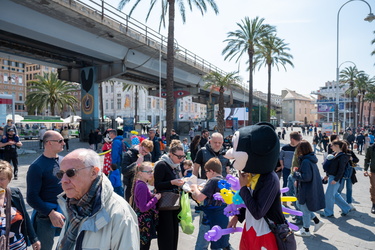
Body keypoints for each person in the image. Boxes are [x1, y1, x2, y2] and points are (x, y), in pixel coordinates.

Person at [226, 123, 293, 250]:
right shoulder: (253, 174)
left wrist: (243, 188)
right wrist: (238, 216)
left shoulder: (270, 179)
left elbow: (258, 212)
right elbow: (250, 201)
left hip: (266, 232)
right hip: (251, 228)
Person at [55, 149, 139, 249]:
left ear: (93, 172)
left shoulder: (119, 214)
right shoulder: (71, 206)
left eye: (71, 173)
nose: (63, 180)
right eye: (61, 174)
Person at [26, 130, 65, 250]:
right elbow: (31, 197)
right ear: (48, 143)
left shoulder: (64, 161)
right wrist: (51, 213)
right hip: (46, 216)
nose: (63, 143)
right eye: (60, 141)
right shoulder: (36, 167)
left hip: (66, 212)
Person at [191, 158, 234, 250]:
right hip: (222, 219)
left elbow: (199, 197)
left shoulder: (212, 180)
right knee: (218, 246)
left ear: (211, 171)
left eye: (206, 172)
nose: (206, 174)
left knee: (201, 247)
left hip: (209, 220)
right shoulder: (225, 182)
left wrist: (194, 188)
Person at [0, 160, 41, 250]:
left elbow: (25, 216)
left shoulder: (15, 193)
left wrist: (34, 238)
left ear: (9, 179)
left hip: (18, 245)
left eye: (2, 179)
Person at [154, 140, 185, 250]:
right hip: (164, 205)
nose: (181, 159)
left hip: (173, 204)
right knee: (166, 234)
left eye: (183, 156)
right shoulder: (162, 165)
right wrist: (172, 182)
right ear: (171, 154)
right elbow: (157, 185)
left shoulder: (175, 166)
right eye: (179, 156)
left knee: (174, 234)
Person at [292, 140, 325, 237]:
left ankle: (306, 230)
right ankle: (316, 220)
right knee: (300, 205)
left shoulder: (306, 161)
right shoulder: (310, 158)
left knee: (304, 209)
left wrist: (296, 173)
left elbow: (306, 177)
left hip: (307, 189)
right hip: (309, 188)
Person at [131, 162, 161, 250]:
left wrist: (152, 196)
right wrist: (156, 198)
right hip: (144, 222)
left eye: (151, 171)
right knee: (144, 246)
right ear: (140, 173)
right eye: (148, 172)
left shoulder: (141, 184)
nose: (151, 174)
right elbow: (143, 207)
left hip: (143, 221)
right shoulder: (142, 186)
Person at [321, 140, 352, 217]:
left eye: (332, 145)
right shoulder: (335, 154)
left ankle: (328, 213)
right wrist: (327, 175)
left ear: (337, 146)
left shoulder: (342, 156)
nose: (331, 147)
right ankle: (346, 208)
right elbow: (332, 167)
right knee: (334, 194)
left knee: (328, 195)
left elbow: (341, 169)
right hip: (332, 176)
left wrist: (336, 179)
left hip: (335, 178)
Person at [337, 142, 359, 211]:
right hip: (342, 174)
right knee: (340, 189)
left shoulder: (350, 152)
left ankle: (349, 203)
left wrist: (352, 159)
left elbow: (357, 160)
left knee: (349, 188)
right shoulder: (339, 153)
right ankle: (341, 203)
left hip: (350, 173)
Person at [279, 131, 301, 198]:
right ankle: (285, 198)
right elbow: (280, 157)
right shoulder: (285, 148)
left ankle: (293, 198)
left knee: (295, 185)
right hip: (286, 168)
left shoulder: (299, 148)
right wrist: (282, 165)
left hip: (296, 170)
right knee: (285, 184)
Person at [364, 142, 375, 214]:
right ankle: (374, 204)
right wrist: (365, 169)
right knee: (374, 188)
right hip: (374, 171)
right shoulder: (371, 148)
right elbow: (367, 159)